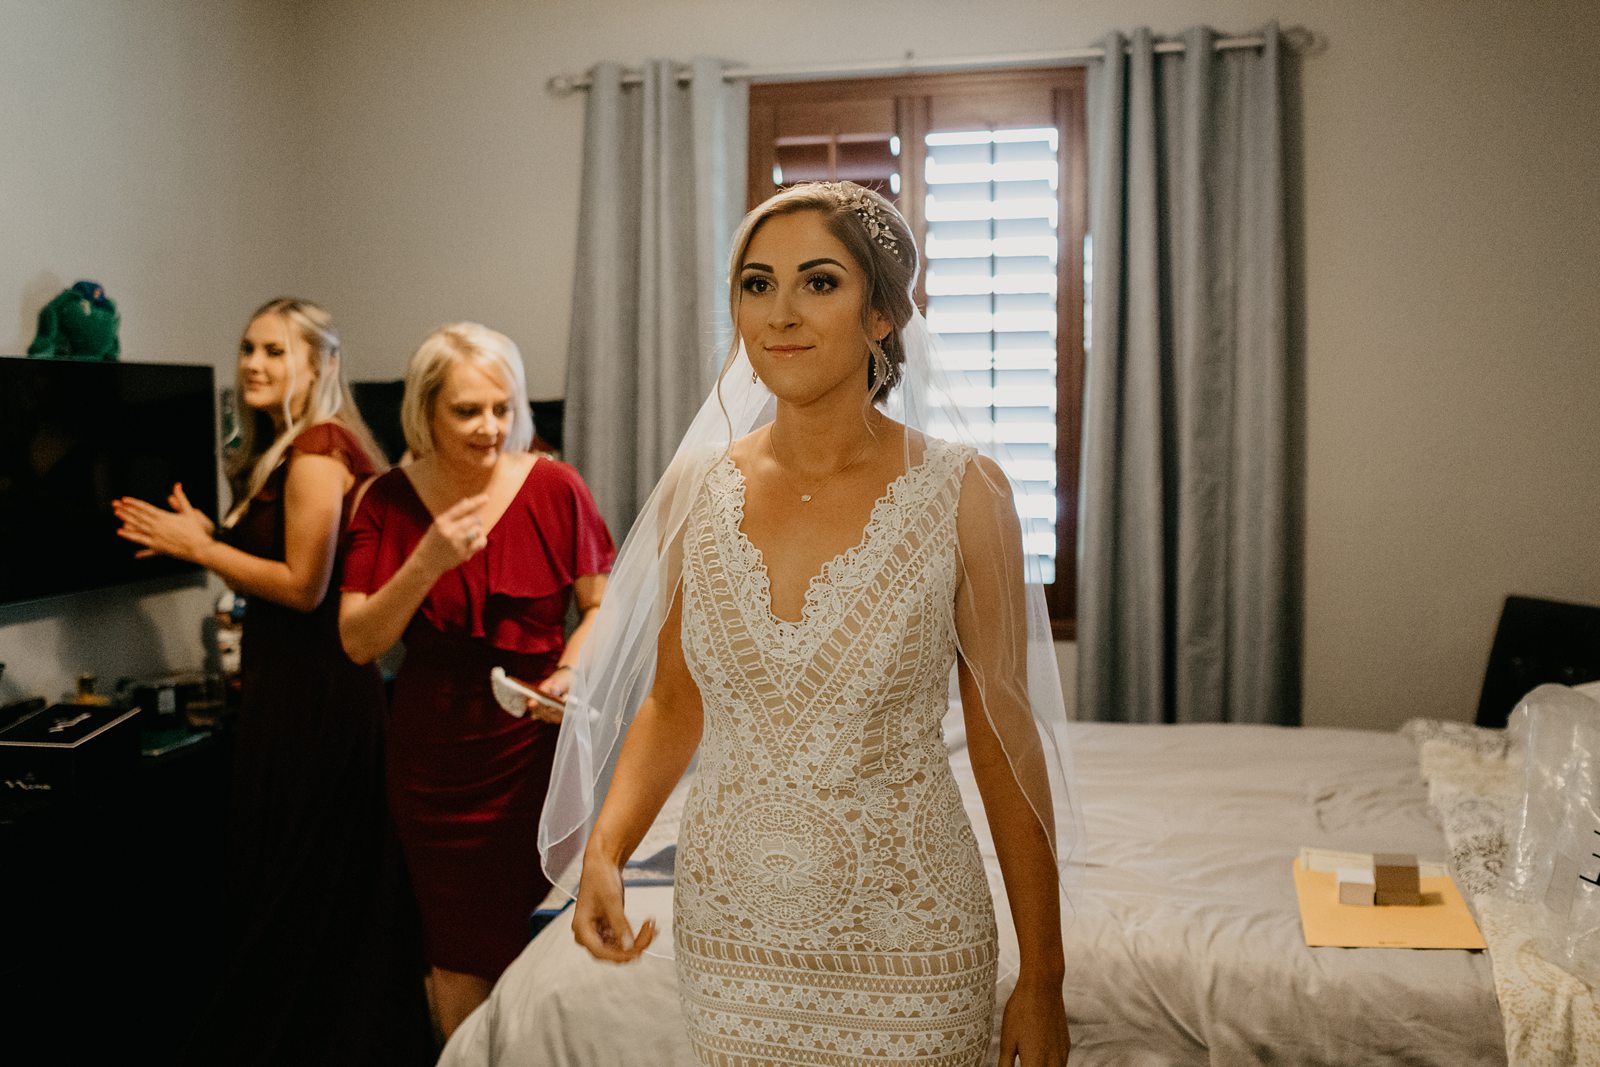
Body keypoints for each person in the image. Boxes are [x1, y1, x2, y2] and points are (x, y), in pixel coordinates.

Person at [550, 182, 1079, 1066]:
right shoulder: (696, 488)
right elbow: (673, 705)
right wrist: (604, 850)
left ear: (880, 315)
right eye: (757, 285)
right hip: (732, 939)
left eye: (818, 283)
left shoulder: (965, 492)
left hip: (912, 936)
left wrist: (1043, 975)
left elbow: (1002, 738)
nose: (781, 313)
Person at [112, 297, 433, 1065]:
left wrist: (203, 547)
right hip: (296, 689)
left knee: (302, 876)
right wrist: (216, 535)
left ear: (319, 364)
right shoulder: (291, 445)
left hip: (315, 696)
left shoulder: (319, 447)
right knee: (303, 876)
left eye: (275, 352)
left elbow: (302, 586)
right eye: (249, 348)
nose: (254, 363)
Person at [339, 322, 615, 1038]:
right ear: (425, 411)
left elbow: (602, 605)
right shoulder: (385, 500)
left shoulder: (556, 485)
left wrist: (567, 668)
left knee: (547, 941)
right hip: (434, 764)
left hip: (537, 754)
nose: (491, 426)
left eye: (502, 406)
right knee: (455, 949)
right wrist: (426, 559)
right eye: (468, 410)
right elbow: (359, 639)